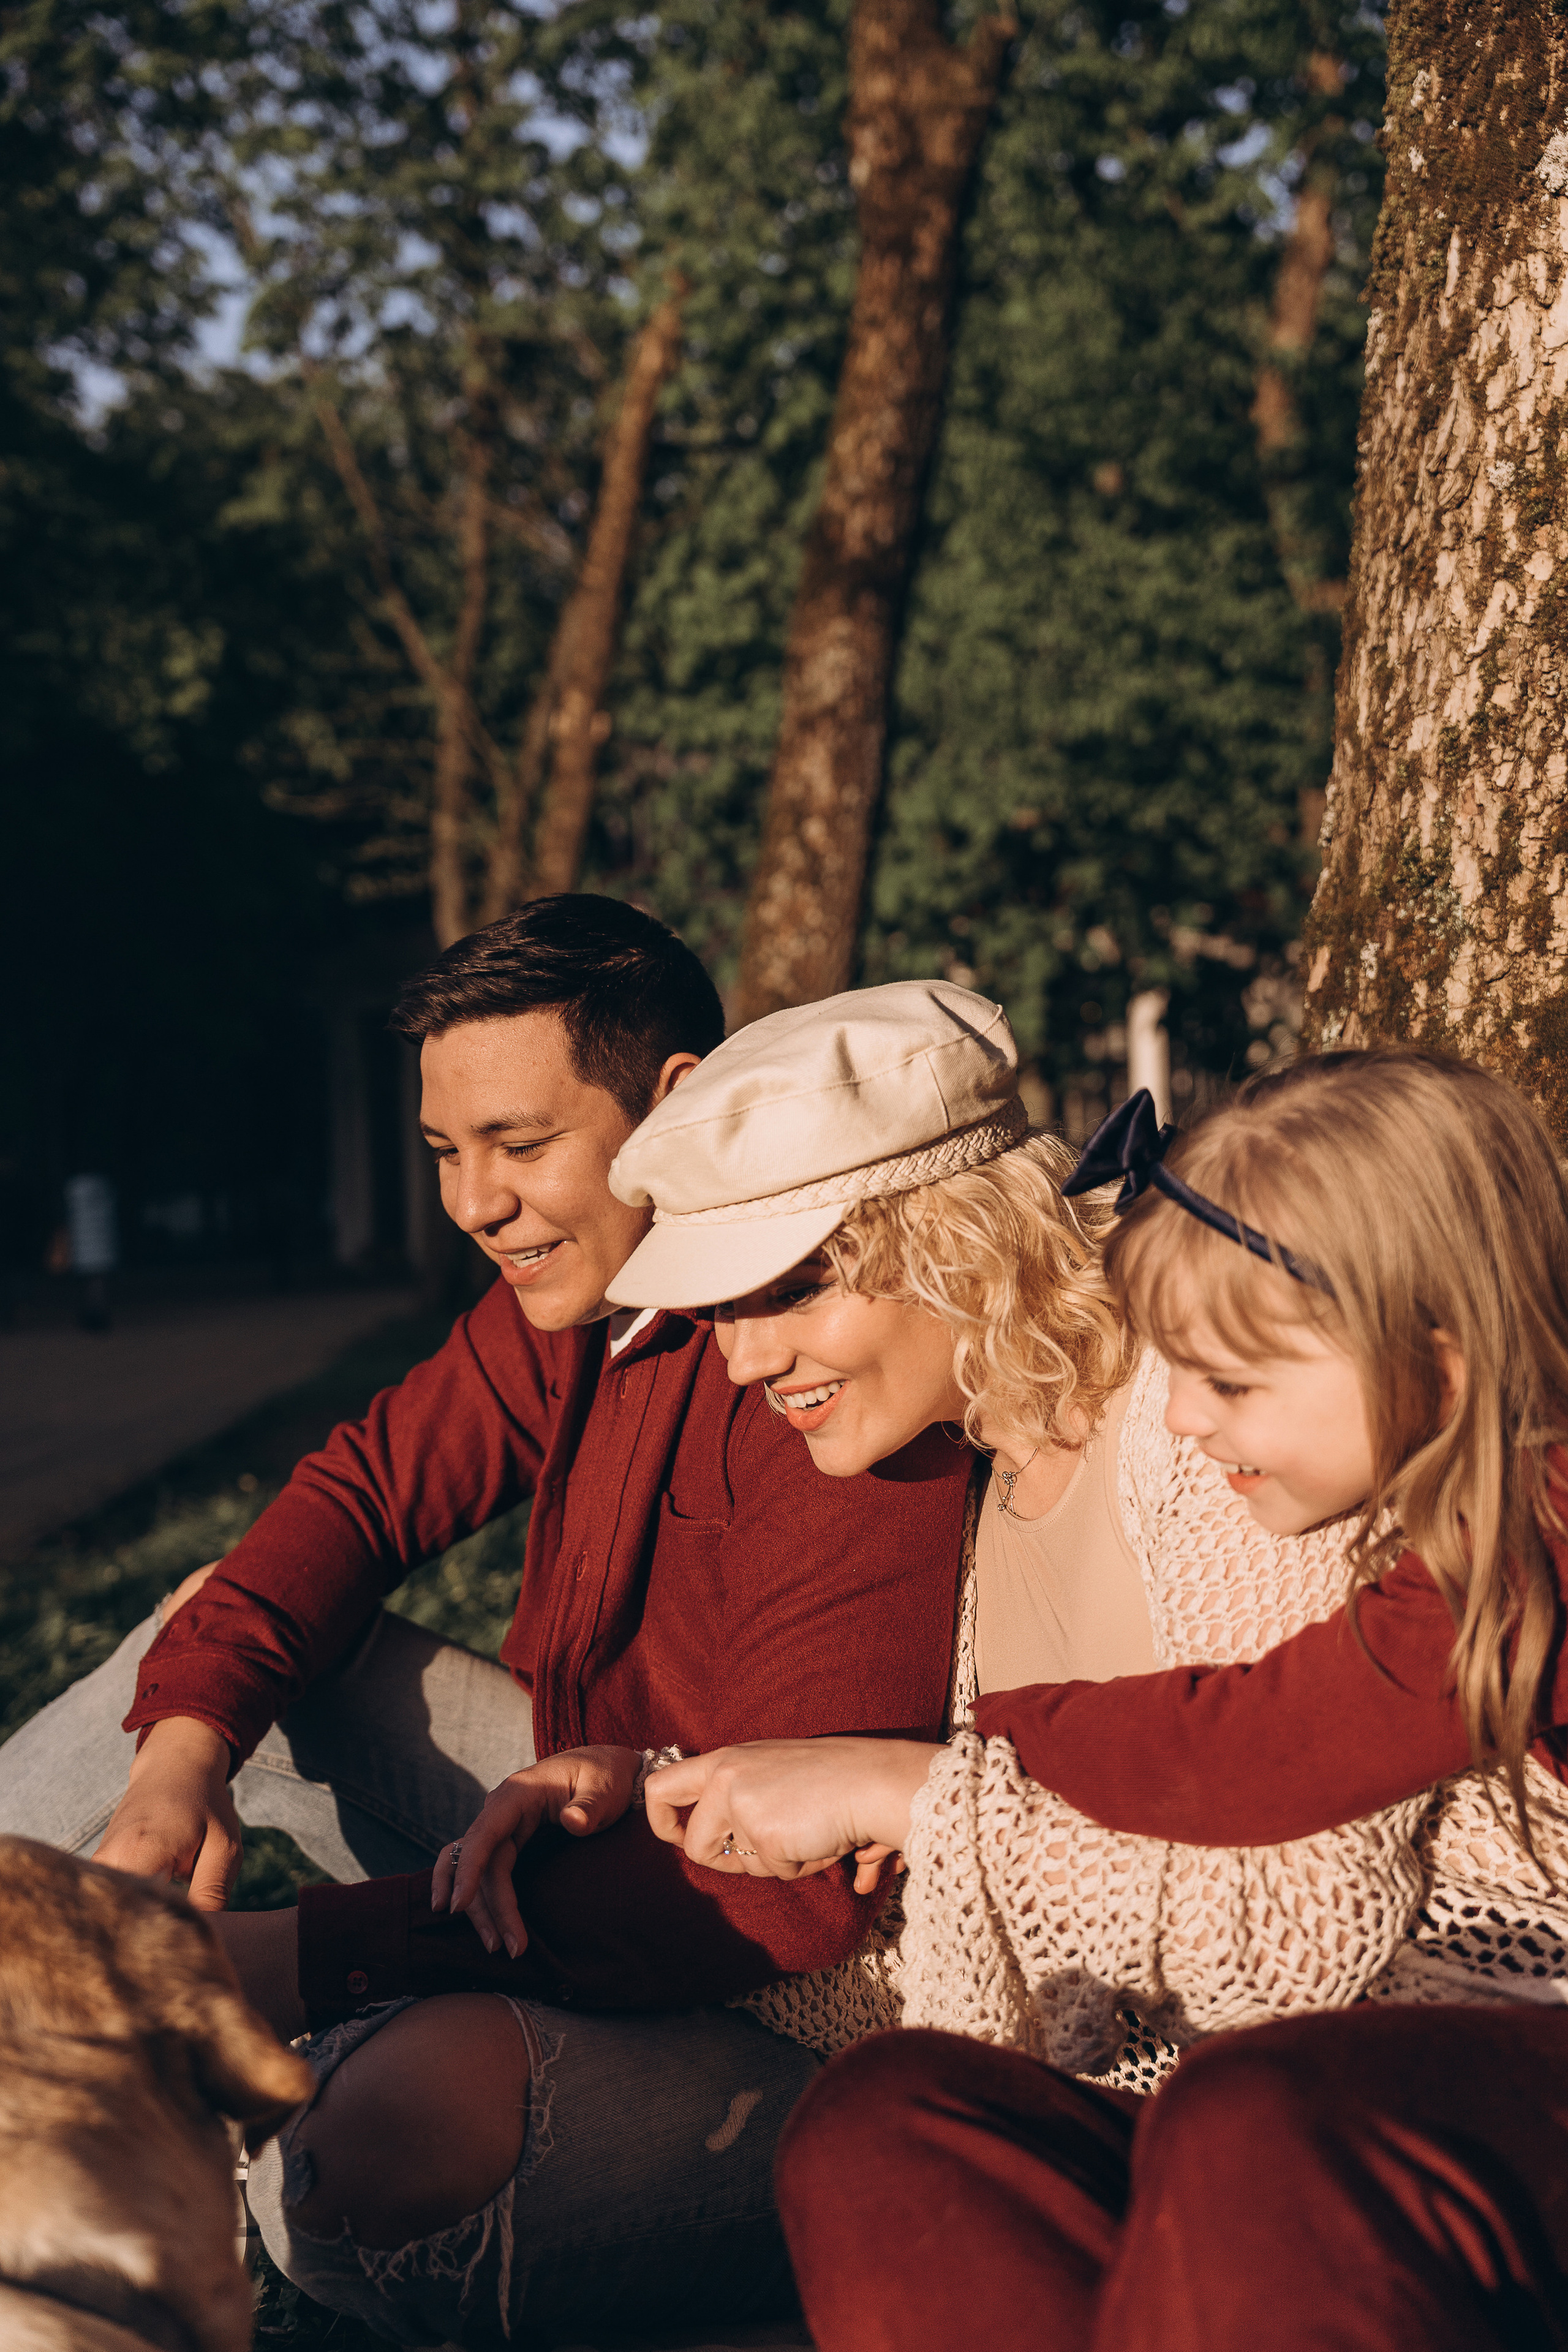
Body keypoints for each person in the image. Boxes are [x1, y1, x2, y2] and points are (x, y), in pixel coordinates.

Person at [0, 903, 979, 2348]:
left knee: (328, 2185)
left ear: (673, 1106)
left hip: (791, 1990)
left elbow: (778, 1898)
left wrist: (273, 1962)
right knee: (216, 1641)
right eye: (447, 1153)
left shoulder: (831, 1369)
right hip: (582, 1814)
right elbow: (357, 1499)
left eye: (519, 1147)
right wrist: (177, 1764)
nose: (473, 1202)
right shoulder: (576, 1314)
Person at [648, 1051, 1568, 2351]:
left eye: (788, 1288)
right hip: (1223, 2077)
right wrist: (658, 1817)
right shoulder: (959, 1507)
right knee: (883, 2114)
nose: (1185, 1413)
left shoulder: (1465, 1534)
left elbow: (1265, 1778)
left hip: (1430, 2050)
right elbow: (995, 1896)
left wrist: (949, 1776)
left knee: (1245, 2112)